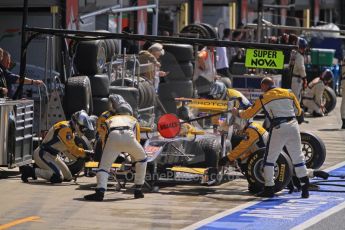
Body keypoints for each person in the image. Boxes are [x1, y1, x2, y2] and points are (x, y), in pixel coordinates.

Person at [232, 77, 310, 198]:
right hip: (293, 126)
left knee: (269, 159)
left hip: (278, 128)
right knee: (298, 157)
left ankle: (269, 188)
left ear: (264, 86)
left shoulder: (264, 97)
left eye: (261, 87)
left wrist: (237, 113)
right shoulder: (288, 92)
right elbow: (299, 112)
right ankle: (305, 189)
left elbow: (250, 113)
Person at [218, 117, 329, 193]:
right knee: (291, 171)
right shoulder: (254, 126)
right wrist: (238, 158)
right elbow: (250, 149)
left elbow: (242, 147)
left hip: (270, 155)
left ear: (241, 123)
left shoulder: (250, 132)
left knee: (289, 172)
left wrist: (228, 158)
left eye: (236, 126)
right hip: (270, 152)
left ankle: (312, 173)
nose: (236, 129)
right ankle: (312, 173)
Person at [84, 94, 147, 201]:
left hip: (113, 136)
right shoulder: (133, 120)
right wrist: (133, 160)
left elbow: (104, 137)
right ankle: (138, 190)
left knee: (104, 167)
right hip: (128, 136)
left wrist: (105, 154)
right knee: (142, 159)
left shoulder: (110, 118)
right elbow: (137, 139)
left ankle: (100, 192)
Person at [19, 110, 94, 183]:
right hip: (43, 154)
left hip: (53, 155)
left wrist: (81, 157)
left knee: (68, 177)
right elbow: (72, 149)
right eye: (83, 127)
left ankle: (38, 167)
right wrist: (85, 153)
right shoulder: (66, 129)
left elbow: (67, 151)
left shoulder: (70, 131)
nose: (84, 130)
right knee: (57, 177)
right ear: (77, 124)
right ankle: (30, 171)